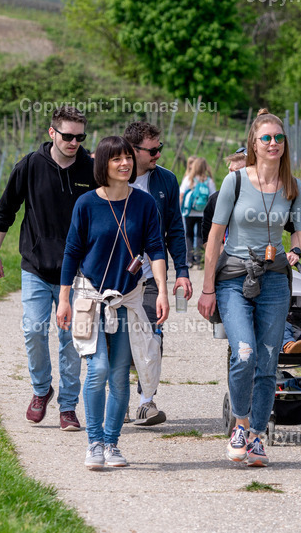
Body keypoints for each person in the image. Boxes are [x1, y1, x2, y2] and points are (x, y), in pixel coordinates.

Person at [198, 110, 301, 467]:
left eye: (278, 138)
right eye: (266, 138)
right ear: (254, 144)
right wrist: (207, 289)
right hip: (234, 278)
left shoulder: (293, 187)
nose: (273, 143)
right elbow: (214, 237)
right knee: (244, 353)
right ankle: (240, 426)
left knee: (268, 362)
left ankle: (256, 437)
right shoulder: (235, 182)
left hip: (274, 280)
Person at [56, 136, 169, 470]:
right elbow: (72, 252)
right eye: (116, 159)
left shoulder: (144, 203)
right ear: (102, 164)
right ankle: (93, 442)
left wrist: (162, 290)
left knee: (120, 375)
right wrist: (63, 299)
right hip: (91, 298)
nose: (125, 164)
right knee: (99, 368)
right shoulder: (86, 204)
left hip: (128, 299)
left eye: (128, 158)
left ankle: (111, 443)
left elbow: (156, 249)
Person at [0, 106, 95, 431]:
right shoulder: (30, 166)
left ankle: (68, 407)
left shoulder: (91, 169)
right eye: (68, 136)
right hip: (36, 266)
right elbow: (6, 209)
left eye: (80, 137)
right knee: (34, 330)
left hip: (78, 272)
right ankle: (41, 389)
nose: (74, 143)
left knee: (72, 339)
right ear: (52, 132)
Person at [124, 121, 192, 426]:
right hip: (117, 275)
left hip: (153, 272)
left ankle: (146, 402)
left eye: (159, 148)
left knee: (151, 335)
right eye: (152, 150)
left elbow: (175, 228)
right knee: (118, 340)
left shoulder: (166, 180)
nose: (158, 154)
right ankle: (118, 401)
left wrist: (183, 271)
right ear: (133, 150)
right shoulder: (113, 176)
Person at [179, 156, 216, 269]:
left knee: (188, 235)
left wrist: (181, 209)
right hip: (203, 213)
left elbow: (181, 195)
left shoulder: (188, 179)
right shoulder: (208, 181)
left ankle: (190, 260)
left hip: (189, 212)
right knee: (200, 236)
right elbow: (213, 197)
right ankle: (199, 261)